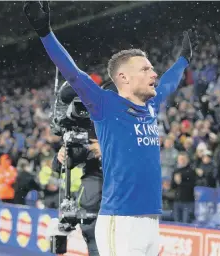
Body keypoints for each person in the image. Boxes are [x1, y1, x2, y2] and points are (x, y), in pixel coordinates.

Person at [24, 2, 196, 254]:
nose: (154, 73)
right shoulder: (105, 104)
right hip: (121, 221)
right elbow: (72, 73)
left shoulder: (150, 106)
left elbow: (169, 84)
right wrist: (45, 33)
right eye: (146, 68)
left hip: (151, 220)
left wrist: (183, 60)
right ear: (124, 77)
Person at [52, 127, 102, 256]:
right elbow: (59, 166)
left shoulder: (122, 143)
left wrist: (106, 149)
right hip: (92, 213)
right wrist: (61, 155)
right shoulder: (89, 148)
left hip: (119, 212)